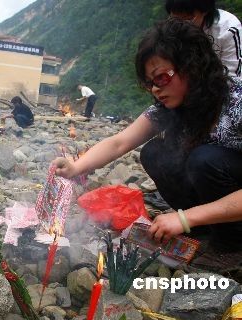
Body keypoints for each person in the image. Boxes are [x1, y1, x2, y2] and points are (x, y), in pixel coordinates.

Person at [53, 19, 242, 255]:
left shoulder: (236, 103)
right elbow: (120, 142)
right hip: (211, 202)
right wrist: (75, 167)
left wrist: (184, 218)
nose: (155, 89)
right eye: (149, 83)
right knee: (155, 152)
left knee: (204, 159)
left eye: (161, 78)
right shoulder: (171, 106)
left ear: (193, 66)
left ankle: (231, 245)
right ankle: (203, 232)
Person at [166, 0, 241, 77]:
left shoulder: (228, 29)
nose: (180, 26)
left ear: (205, 11)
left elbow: (233, 77)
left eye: (187, 19)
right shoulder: (171, 30)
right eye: (175, 20)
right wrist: (167, 77)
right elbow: (173, 69)